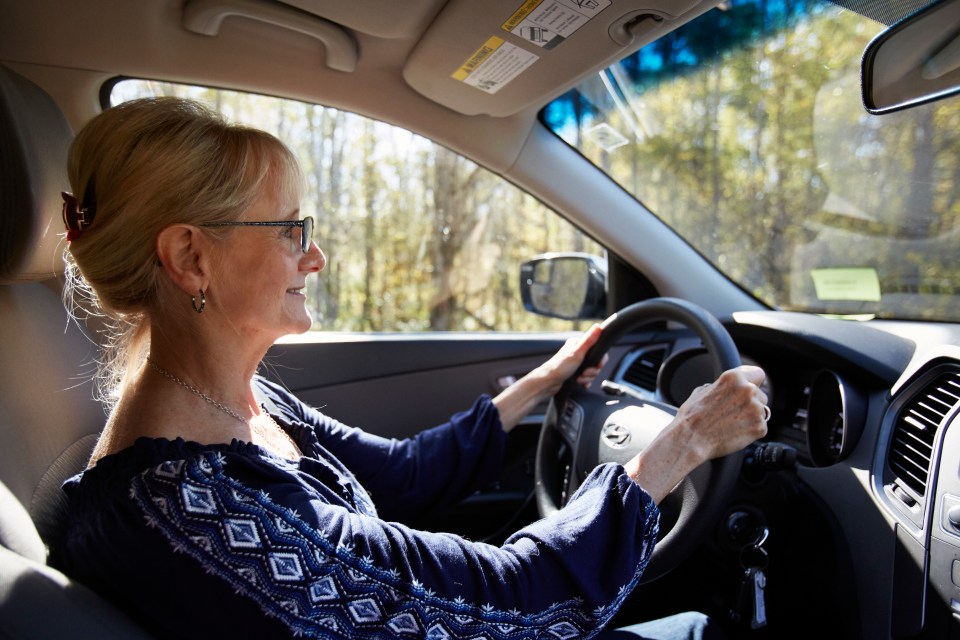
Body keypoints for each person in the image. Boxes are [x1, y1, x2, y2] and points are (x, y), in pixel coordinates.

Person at [54, 97, 768, 640]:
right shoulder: (204, 512)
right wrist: (683, 443)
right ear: (189, 258)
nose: (315, 256)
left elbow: (401, 475)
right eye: (288, 228)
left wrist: (543, 382)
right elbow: (516, 602)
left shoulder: (237, 405)